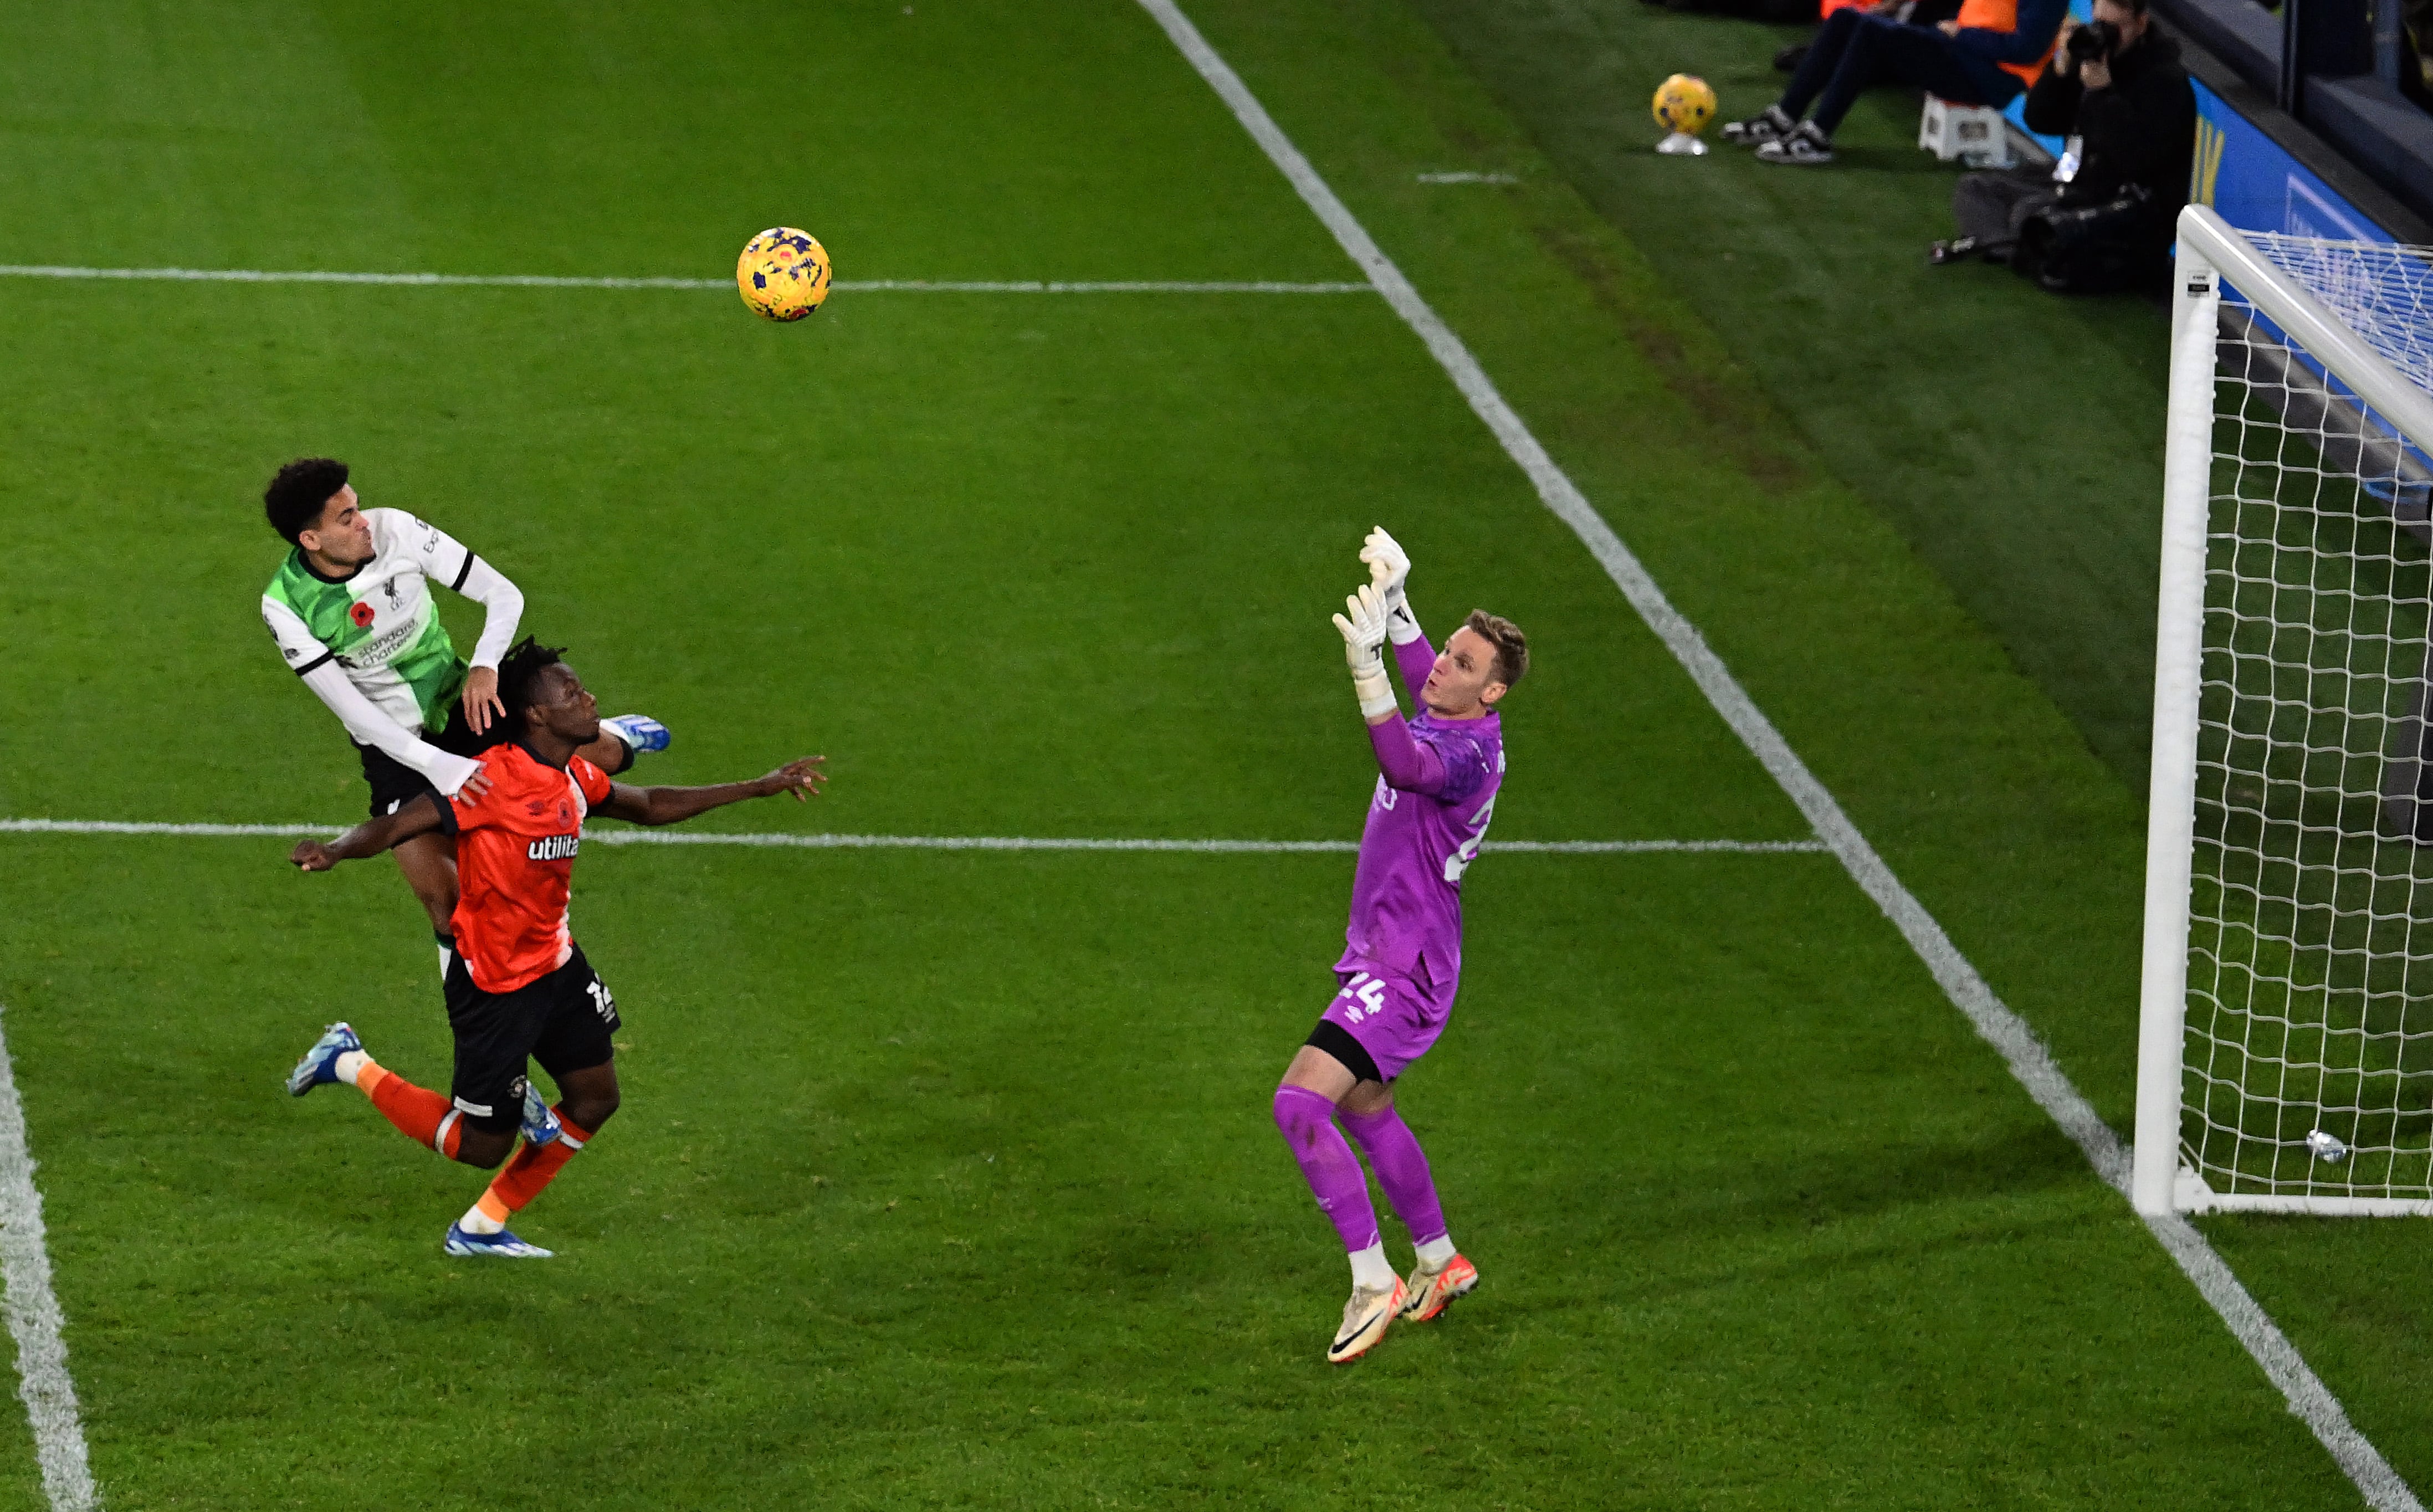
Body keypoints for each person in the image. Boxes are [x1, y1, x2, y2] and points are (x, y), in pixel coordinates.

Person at [283, 637, 825, 1258]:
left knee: (596, 1097)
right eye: (570, 692)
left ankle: (480, 1227)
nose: (588, 697)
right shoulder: (489, 782)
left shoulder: (572, 772)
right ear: (536, 716)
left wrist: (760, 786)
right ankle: (348, 1060)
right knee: (480, 1143)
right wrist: (335, 849)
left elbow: (648, 805)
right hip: (494, 984)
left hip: (557, 965)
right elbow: (397, 824)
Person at [1273, 528, 1527, 1364]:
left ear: (1488, 694)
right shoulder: (1456, 709)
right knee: (1365, 1105)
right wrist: (1400, 597)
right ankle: (1436, 1259)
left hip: (1404, 965)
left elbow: (1405, 761)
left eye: (1457, 663)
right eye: (1446, 651)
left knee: (1300, 1102)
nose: (1438, 667)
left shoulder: (1459, 753)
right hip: (1401, 949)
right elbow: (1424, 684)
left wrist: (1366, 670)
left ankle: (1370, 1279)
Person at [259, 458, 670, 944]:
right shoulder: (285, 605)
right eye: (346, 518)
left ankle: (619, 736)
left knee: (607, 759)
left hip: (462, 700)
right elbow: (355, 712)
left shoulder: (397, 530)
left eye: (358, 507)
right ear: (311, 540)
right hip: (396, 745)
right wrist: (442, 769)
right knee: (447, 907)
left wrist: (484, 665)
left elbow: (504, 593)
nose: (364, 521)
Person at [1933, 0, 2194, 290]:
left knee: (2028, 212)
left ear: (2141, 24)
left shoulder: (2164, 80)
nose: (2104, 35)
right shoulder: (2093, 58)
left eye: (2114, 28)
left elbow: (2137, 158)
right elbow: (2040, 120)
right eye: (2099, 24)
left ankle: (2018, 246)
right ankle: (2022, 249)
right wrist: (2060, 70)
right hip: (2078, 179)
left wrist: (2103, 94)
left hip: (2127, 207)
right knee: (1975, 188)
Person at [1720, 0, 2068, 164]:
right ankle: (1784, 117)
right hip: (1959, 53)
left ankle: (1819, 136)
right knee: (1845, 19)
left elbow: (2025, 50)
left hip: (1989, 78)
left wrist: (1962, 35)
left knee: (1872, 32)